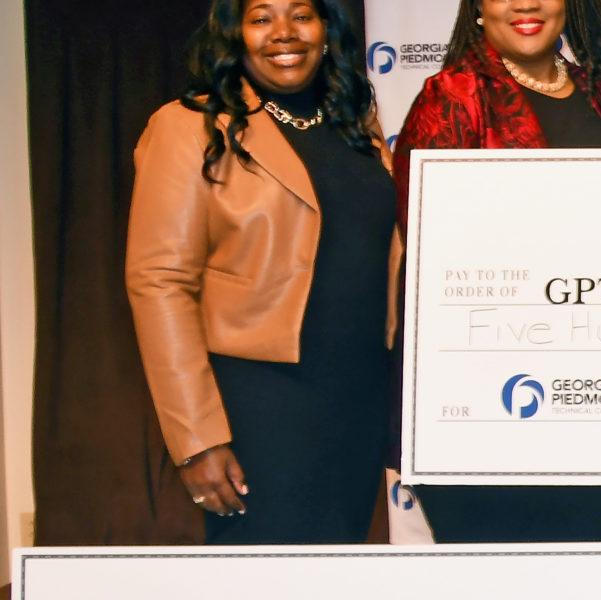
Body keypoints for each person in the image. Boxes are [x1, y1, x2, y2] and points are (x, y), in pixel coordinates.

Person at [128, 0, 397, 544]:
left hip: (359, 397)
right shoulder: (188, 126)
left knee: (337, 574)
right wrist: (197, 438)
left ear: (327, 29)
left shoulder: (354, 122)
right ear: (235, 34)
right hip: (260, 404)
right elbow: (160, 282)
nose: (283, 33)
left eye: (301, 15)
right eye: (261, 18)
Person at [391, 0, 601, 543]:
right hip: (495, 407)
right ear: (479, 9)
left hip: (600, 399)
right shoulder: (453, 96)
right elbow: (433, 260)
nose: (526, 4)